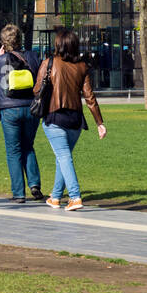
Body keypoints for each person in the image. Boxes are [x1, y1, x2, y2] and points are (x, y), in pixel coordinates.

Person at [34, 27, 106, 210]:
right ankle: (56, 197)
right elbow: (90, 97)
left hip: (55, 116)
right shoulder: (82, 66)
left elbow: (36, 90)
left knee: (64, 157)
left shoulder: (49, 62)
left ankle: (75, 197)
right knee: (62, 157)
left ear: (58, 45)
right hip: (75, 119)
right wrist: (99, 123)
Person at [0, 24, 44, 203]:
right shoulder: (32, 57)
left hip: (9, 109)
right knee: (28, 146)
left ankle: (18, 193)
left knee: (13, 151)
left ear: (3, 43)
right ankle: (35, 184)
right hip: (31, 108)